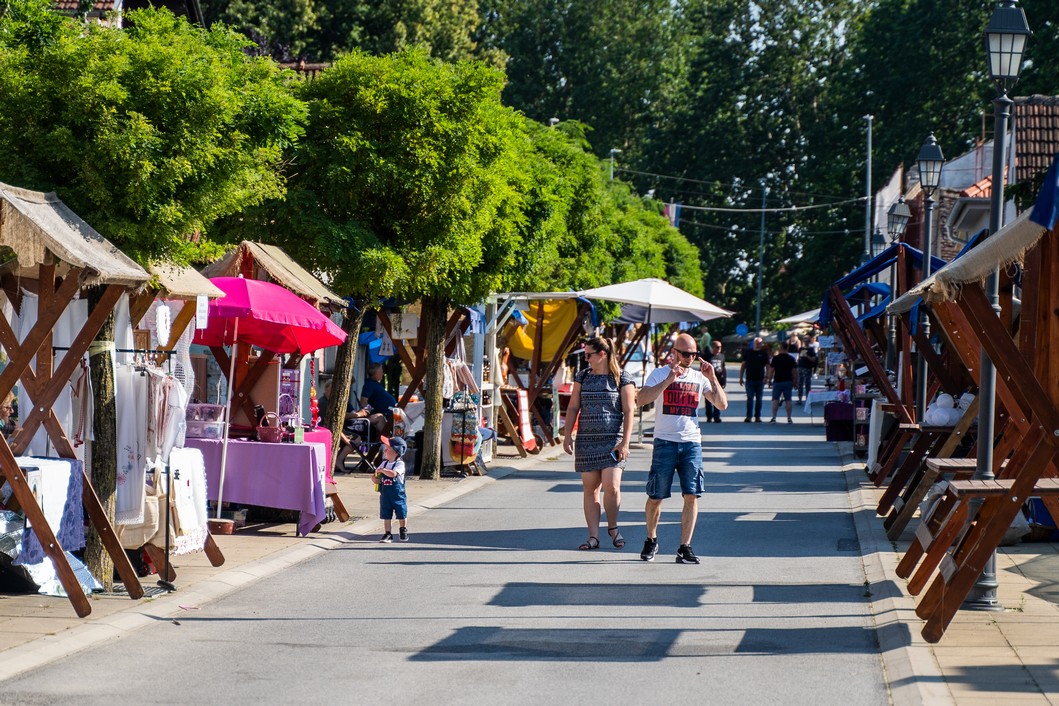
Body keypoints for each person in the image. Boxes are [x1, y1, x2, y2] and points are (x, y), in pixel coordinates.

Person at [635, 332, 727, 564]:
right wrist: (668, 381)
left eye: (694, 354)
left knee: (691, 495)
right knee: (656, 495)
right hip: (665, 441)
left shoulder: (699, 376)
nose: (690, 358)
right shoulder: (659, 373)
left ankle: (684, 547)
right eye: (686, 354)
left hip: (691, 442)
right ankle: (651, 539)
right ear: (674, 353)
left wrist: (712, 378)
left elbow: (722, 404)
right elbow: (641, 399)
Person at [562, 336, 635, 551]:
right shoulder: (582, 377)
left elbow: (630, 410)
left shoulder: (622, 378)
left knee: (612, 486)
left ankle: (613, 527)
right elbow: (574, 407)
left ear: (602, 355)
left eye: (588, 355)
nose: (586, 359)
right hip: (587, 440)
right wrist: (567, 435)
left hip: (612, 440)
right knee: (590, 489)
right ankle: (593, 536)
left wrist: (625, 442)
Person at [373, 435, 409, 542]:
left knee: (401, 512)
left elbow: (393, 474)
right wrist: (375, 479)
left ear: (396, 451)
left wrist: (382, 470)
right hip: (385, 494)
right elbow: (376, 474)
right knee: (386, 514)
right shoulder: (384, 463)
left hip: (398, 495)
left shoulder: (399, 464)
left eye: (387, 449)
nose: (384, 450)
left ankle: (403, 529)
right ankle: (387, 533)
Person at [360, 362, 398, 435]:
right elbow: (363, 402)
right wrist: (371, 411)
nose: (382, 373)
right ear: (375, 373)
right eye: (381, 371)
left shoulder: (376, 384)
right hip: (385, 414)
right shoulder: (369, 385)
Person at [739, 337, 769, 422]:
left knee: (759, 399)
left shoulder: (764, 353)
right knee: (750, 398)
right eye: (757, 343)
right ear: (754, 343)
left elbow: (768, 366)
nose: (759, 344)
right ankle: (749, 416)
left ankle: (757, 416)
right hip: (750, 379)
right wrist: (741, 377)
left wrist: (766, 377)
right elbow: (743, 365)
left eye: (760, 343)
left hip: (760, 379)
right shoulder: (748, 352)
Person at [767, 342, 798, 423]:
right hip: (788, 381)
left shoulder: (775, 358)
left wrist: (769, 380)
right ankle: (789, 418)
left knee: (775, 400)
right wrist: (795, 381)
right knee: (788, 400)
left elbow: (771, 370)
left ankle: (774, 417)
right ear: (787, 348)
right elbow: (795, 371)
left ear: (780, 348)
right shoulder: (791, 358)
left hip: (777, 381)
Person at [703, 339, 727, 423]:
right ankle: (709, 416)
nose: (719, 348)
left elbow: (723, 368)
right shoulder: (707, 356)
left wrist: (724, 379)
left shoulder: (722, 356)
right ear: (712, 347)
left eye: (720, 347)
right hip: (708, 381)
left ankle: (717, 416)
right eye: (717, 347)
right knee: (709, 399)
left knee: (718, 397)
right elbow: (702, 369)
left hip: (719, 380)